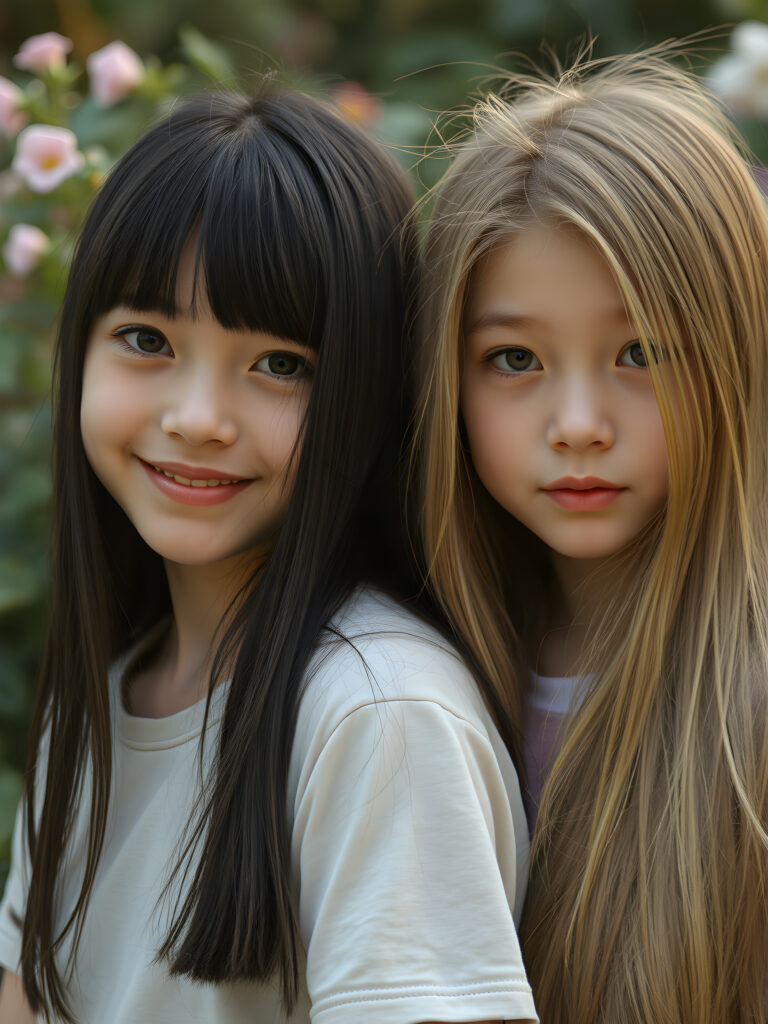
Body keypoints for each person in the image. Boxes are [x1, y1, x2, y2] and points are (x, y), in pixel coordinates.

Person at [0, 89, 537, 1024]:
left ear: (365, 394)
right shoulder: (109, 687)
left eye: (280, 364)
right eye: (146, 340)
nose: (198, 418)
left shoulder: (375, 714)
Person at [414, 50, 768, 1023]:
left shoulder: (749, 719)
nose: (578, 422)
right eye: (515, 357)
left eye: (641, 351)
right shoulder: (408, 680)